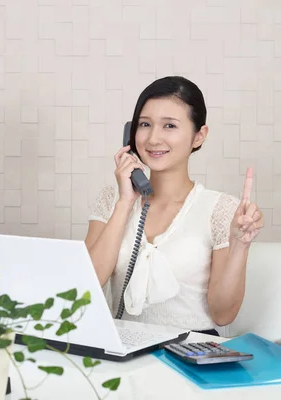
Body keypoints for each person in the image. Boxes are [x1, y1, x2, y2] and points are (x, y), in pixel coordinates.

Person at [84, 76, 264, 336]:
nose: (153, 138)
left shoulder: (221, 209)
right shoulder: (112, 200)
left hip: (192, 356)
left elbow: (223, 315)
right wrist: (125, 202)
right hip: (126, 352)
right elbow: (86, 289)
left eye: (169, 126)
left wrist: (240, 246)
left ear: (198, 136)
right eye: (144, 125)